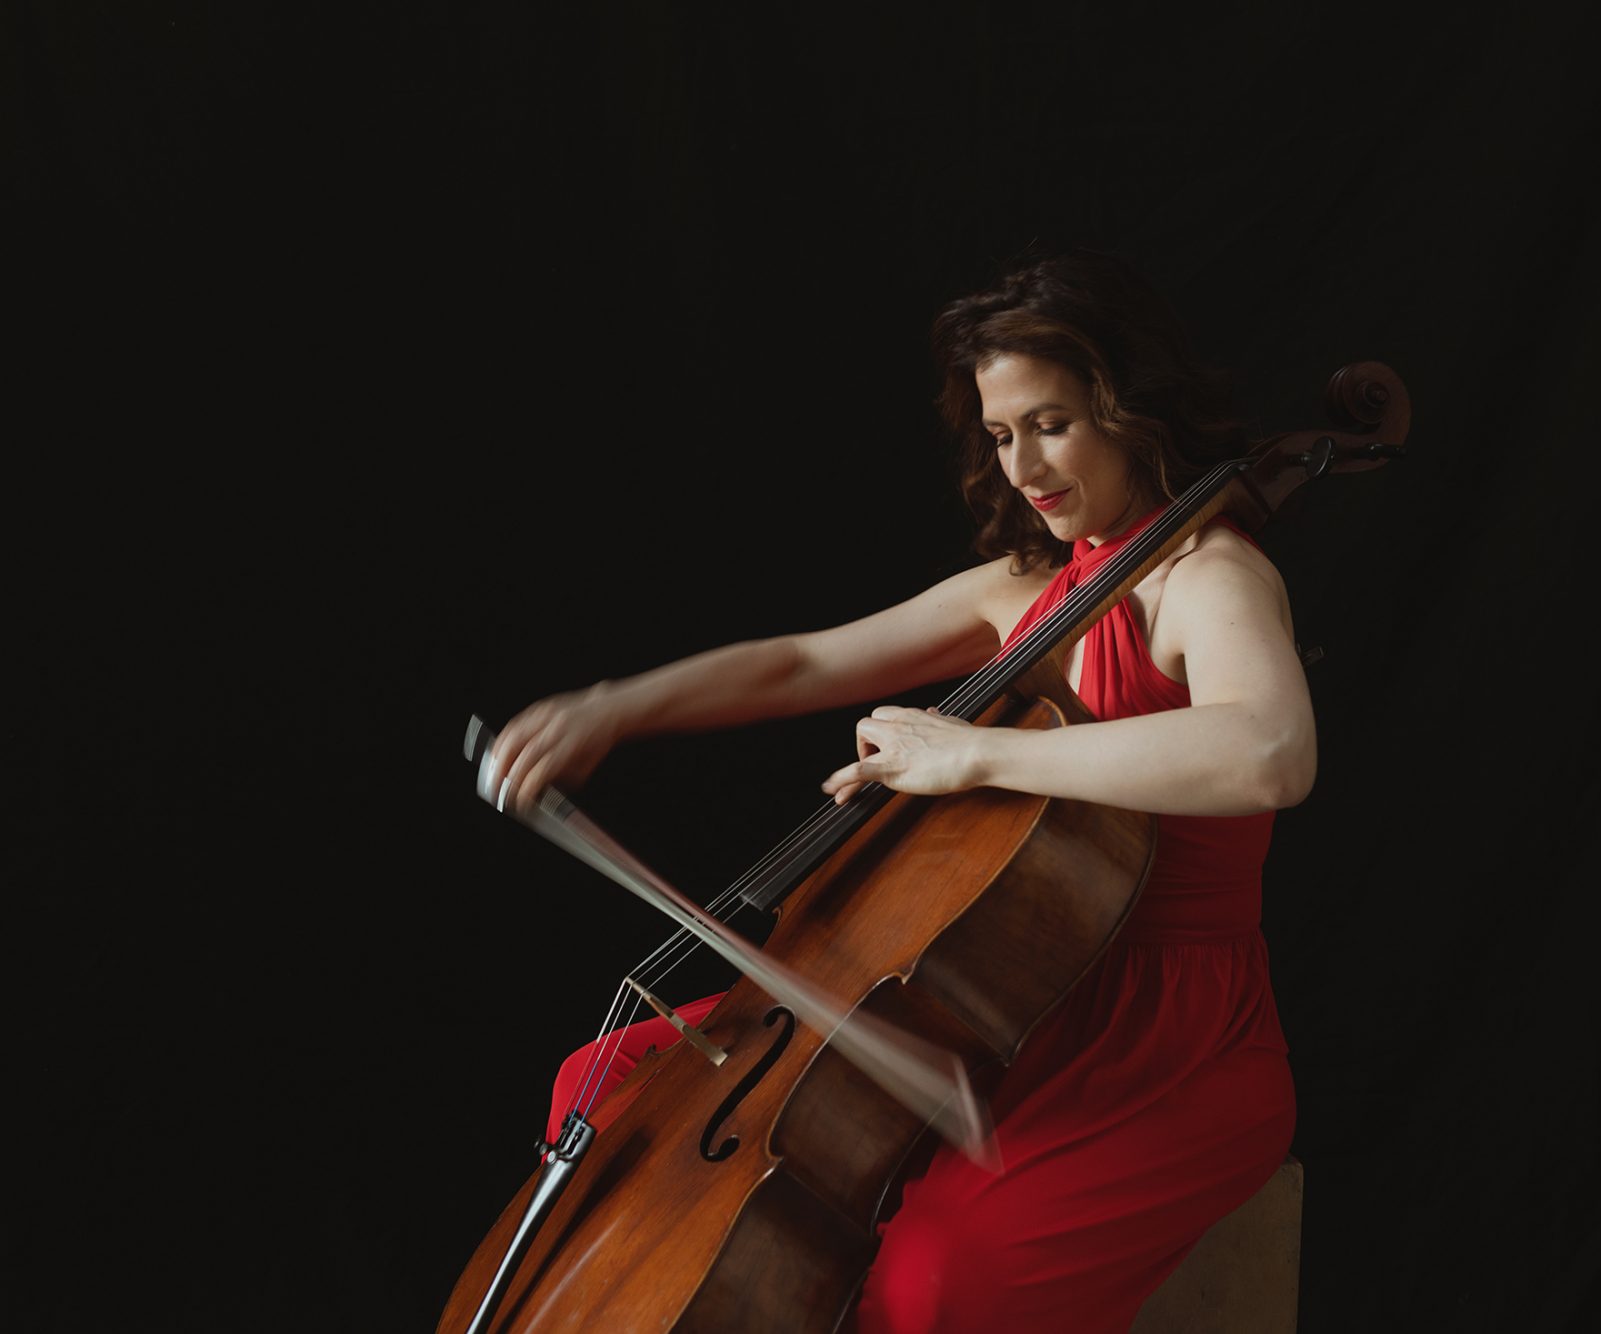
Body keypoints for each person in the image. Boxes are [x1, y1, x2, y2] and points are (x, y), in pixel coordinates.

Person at [487, 248, 1308, 1332]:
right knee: (614, 1087)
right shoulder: (1028, 593)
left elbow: (1267, 751)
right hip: (1002, 1009)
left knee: (933, 1288)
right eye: (1001, 434)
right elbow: (802, 661)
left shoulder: (1208, 577)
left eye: (1051, 422)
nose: (1023, 468)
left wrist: (972, 754)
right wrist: (613, 705)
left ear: (1129, 404)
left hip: (1167, 1045)